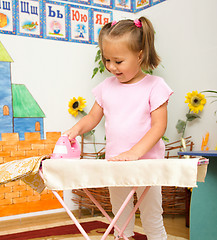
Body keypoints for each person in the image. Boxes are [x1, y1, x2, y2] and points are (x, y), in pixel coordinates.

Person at [64, 16, 173, 240]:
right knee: (119, 216)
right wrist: (75, 129)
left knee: (152, 215)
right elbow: (93, 117)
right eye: (107, 60)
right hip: (116, 163)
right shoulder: (106, 87)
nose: (111, 67)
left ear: (140, 54)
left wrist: (135, 153)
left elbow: (159, 127)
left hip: (147, 165)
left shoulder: (155, 86)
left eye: (118, 61)